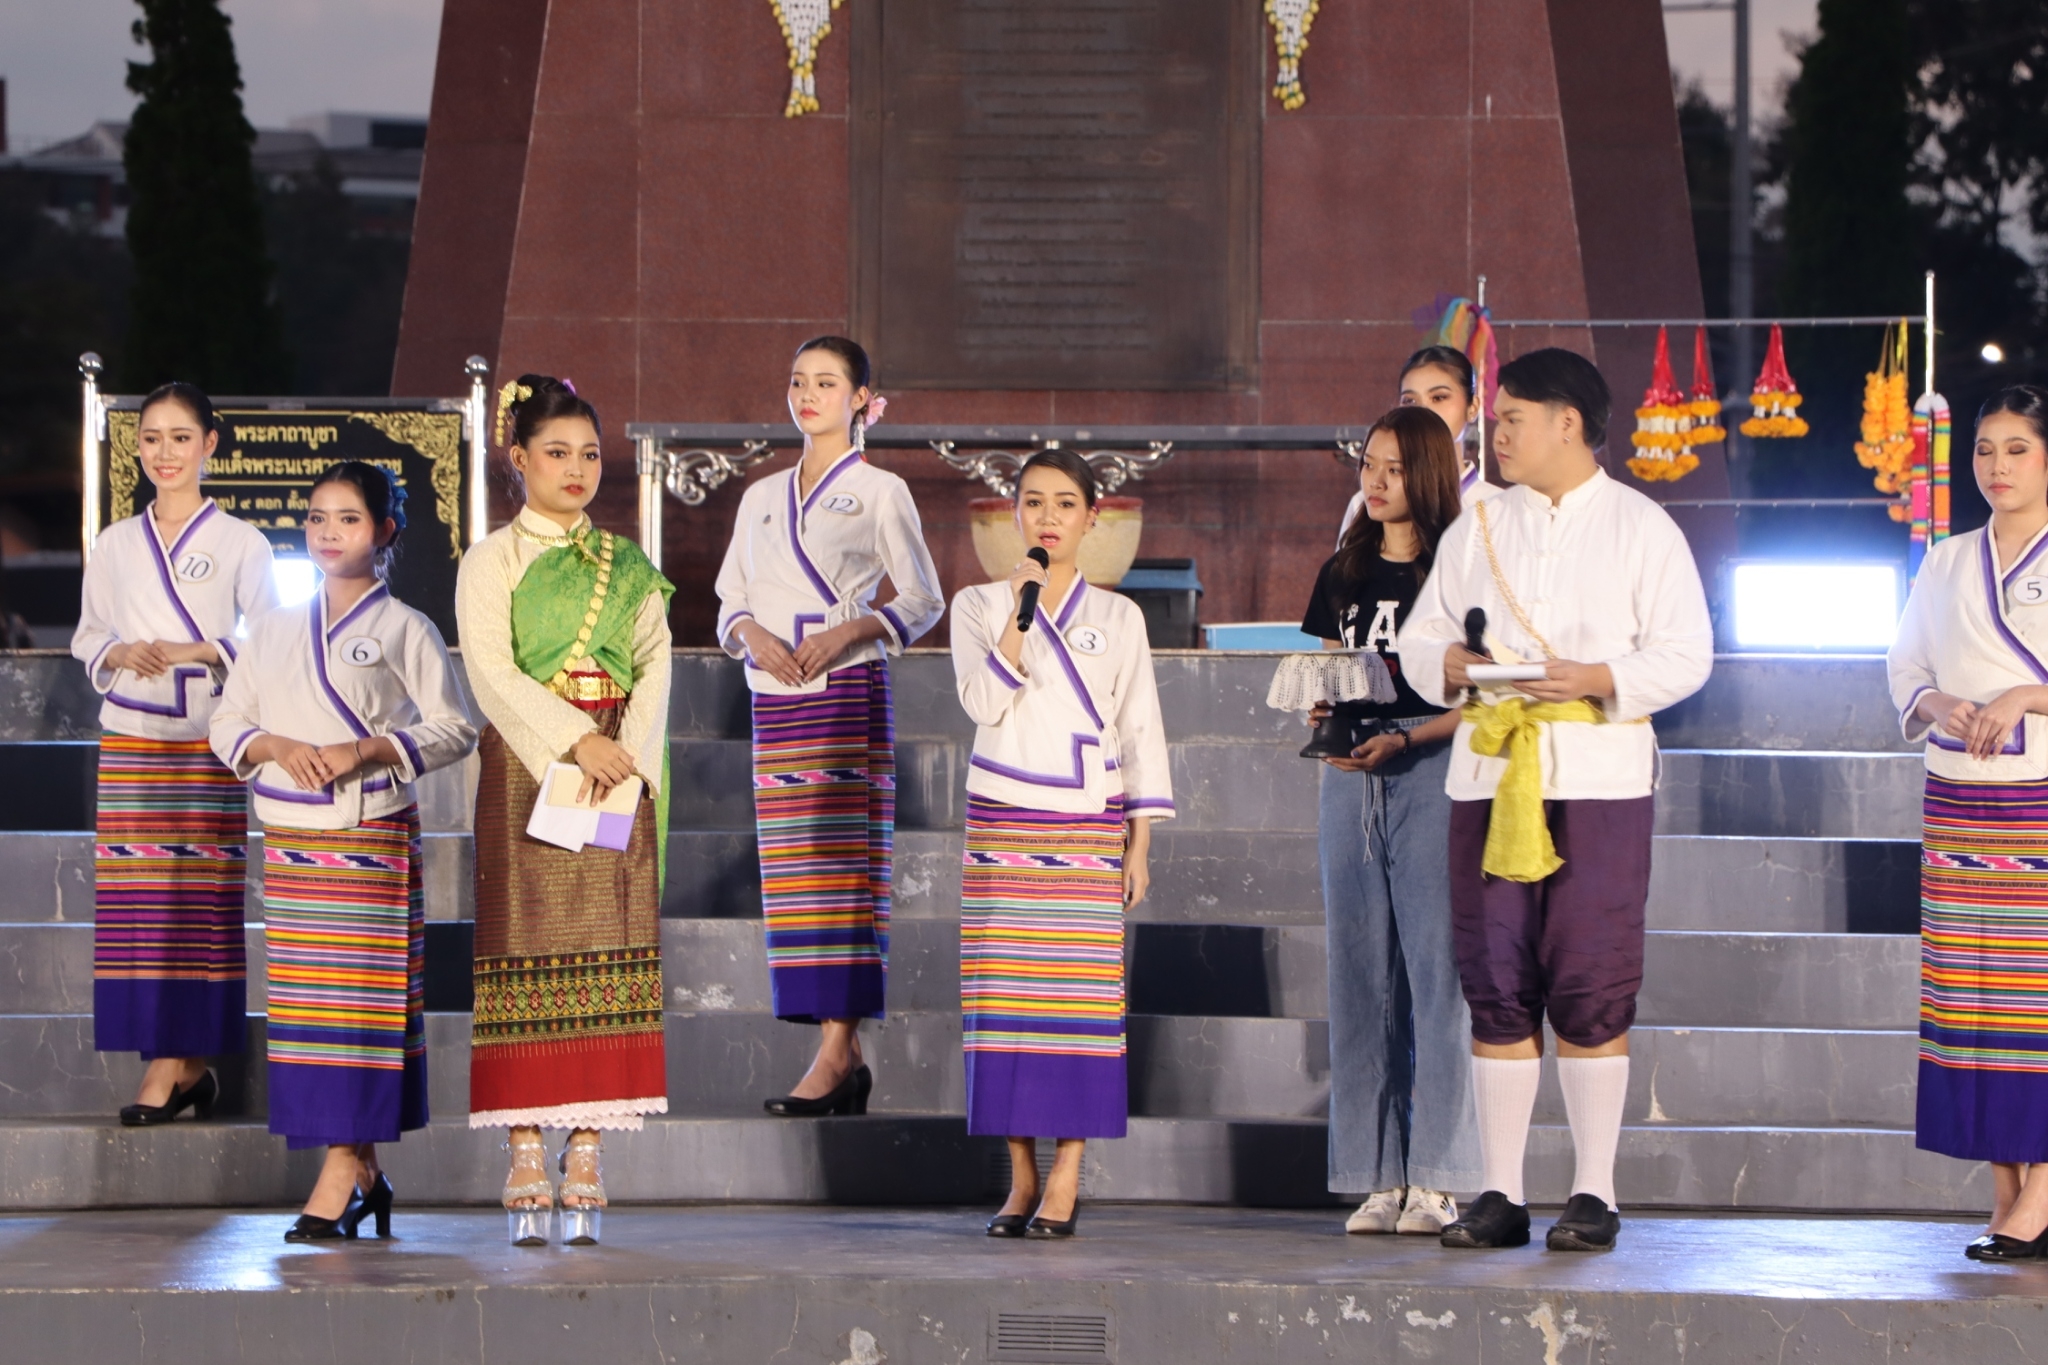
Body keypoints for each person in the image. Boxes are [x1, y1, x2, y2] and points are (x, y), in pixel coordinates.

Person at [1398, 347, 1712, 1252]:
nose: (1494, 433)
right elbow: (1422, 641)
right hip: (1491, 775)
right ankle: (1499, 1190)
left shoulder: (1642, 526)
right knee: (1494, 977)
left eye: (1511, 418)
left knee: (1591, 977)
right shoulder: (1476, 526)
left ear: (1567, 422)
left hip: (1599, 777)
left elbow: (1688, 653)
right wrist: (1449, 663)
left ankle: (1593, 1191)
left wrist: (1598, 676)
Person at [210, 461, 475, 1241]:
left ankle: (338, 1173)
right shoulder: (272, 627)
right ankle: (364, 1174)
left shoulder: (406, 626)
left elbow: (455, 727)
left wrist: (366, 749)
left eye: (348, 518)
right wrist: (276, 744)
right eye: (317, 517)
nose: (328, 532)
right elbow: (228, 722)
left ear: (385, 530)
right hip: (293, 842)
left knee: (360, 1008)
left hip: (369, 837)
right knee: (307, 1012)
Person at [457, 376, 675, 1247]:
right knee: (521, 940)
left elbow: (655, 663)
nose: (576, 468)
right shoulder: (492, 559)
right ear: (519, 458)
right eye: (557, 452)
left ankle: (588, 1141)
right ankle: (522, 1139)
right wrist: (572, 739)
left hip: (616, 764)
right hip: (530, 764)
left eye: (589, 453)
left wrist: (629, 757)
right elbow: (490, 669)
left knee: (610, 941)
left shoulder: (628, 563)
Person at [714, 337, 944, 1116]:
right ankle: (837, 1049)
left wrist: (851, 630)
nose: (807, 394)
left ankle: (837, 1049)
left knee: (842, 866)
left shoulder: (882, 490)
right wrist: (751, 633)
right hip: (774, 692)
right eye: (797, 381)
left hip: (844, 691)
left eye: (825, 382)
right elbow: (730, 598)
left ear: (861, 399)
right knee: (793, 874)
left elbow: (923, 598)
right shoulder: (759, 495)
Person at [949, 449, 1174, 1239]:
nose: (1049, 516)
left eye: (1066, 503)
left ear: (1090, 517)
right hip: (1003, 819)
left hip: (1086, 823)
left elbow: (1141, 728)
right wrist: (1021, 614)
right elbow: (982, 701)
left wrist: (1138, 845)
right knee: (1004, 1001)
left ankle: (1068, 1175)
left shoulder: (1121, 617)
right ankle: (1019, 1178)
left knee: (1077, 1005)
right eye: (1035, 501)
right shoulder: (977, 604)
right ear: (1015, 512)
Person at [73, 382, 276, 1125]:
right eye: (152, 438)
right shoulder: (115, 543)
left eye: (181, 437)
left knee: (198, 900)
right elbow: (88, 634)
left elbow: (270, 637)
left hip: (207, 740)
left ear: (209, 445)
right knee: (138, 902)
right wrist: (120, 650)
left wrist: (200, 648)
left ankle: (172, 1067)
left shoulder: (243, 542)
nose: (166, 452)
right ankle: (182, 1067)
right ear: (136, 447)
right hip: (132, 737)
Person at [1302, 405, 1480, 1236]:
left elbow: (1484, 697)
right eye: (1368, 464)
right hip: (1351, 774)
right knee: (1359, 972)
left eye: (1395, 468)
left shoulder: (1458, 571)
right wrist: (1322, 714)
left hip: (1432, 766)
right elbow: (1323, 669)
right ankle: (1376, 1173)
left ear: (1429, 474)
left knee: (1437, 975)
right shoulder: (1343, 568)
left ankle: (1440, 1176)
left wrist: (1409, 738)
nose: (1375, 481)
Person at [1887, 385, 2048, 1262]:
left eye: (2017, 448)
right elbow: (1904, 662)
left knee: (2039, 996)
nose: (1997, 465)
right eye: (1985, 449)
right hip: (1958, 794)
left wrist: (2026, 693)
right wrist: (1937, 701)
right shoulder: (1947, 560)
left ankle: (2043, 1194)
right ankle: (2007, 1191)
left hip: (2041, 793)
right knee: (1975, 994)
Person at [1337, 345, 1497, 542]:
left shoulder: (1497, 509)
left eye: (1439, 398)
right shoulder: (1368, 504)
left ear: (1472, 408)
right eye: (1410, 401)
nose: (1423, 411)